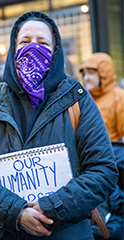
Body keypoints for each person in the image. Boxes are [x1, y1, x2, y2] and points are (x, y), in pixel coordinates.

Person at [0, 11, 118, 240]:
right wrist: (16, 213)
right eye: (25, 42)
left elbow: (103, 170)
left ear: (55, 51)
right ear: (13, 48)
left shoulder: (77, 100)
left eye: (43, 43)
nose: (33, 48)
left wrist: (50, 208)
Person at [79, 53, 124, 240]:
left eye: (92, 73)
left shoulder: (118, 98)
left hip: (115, 168)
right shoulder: (83, 100)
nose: (87, 77)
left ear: (104, 74)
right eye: (84, 73)